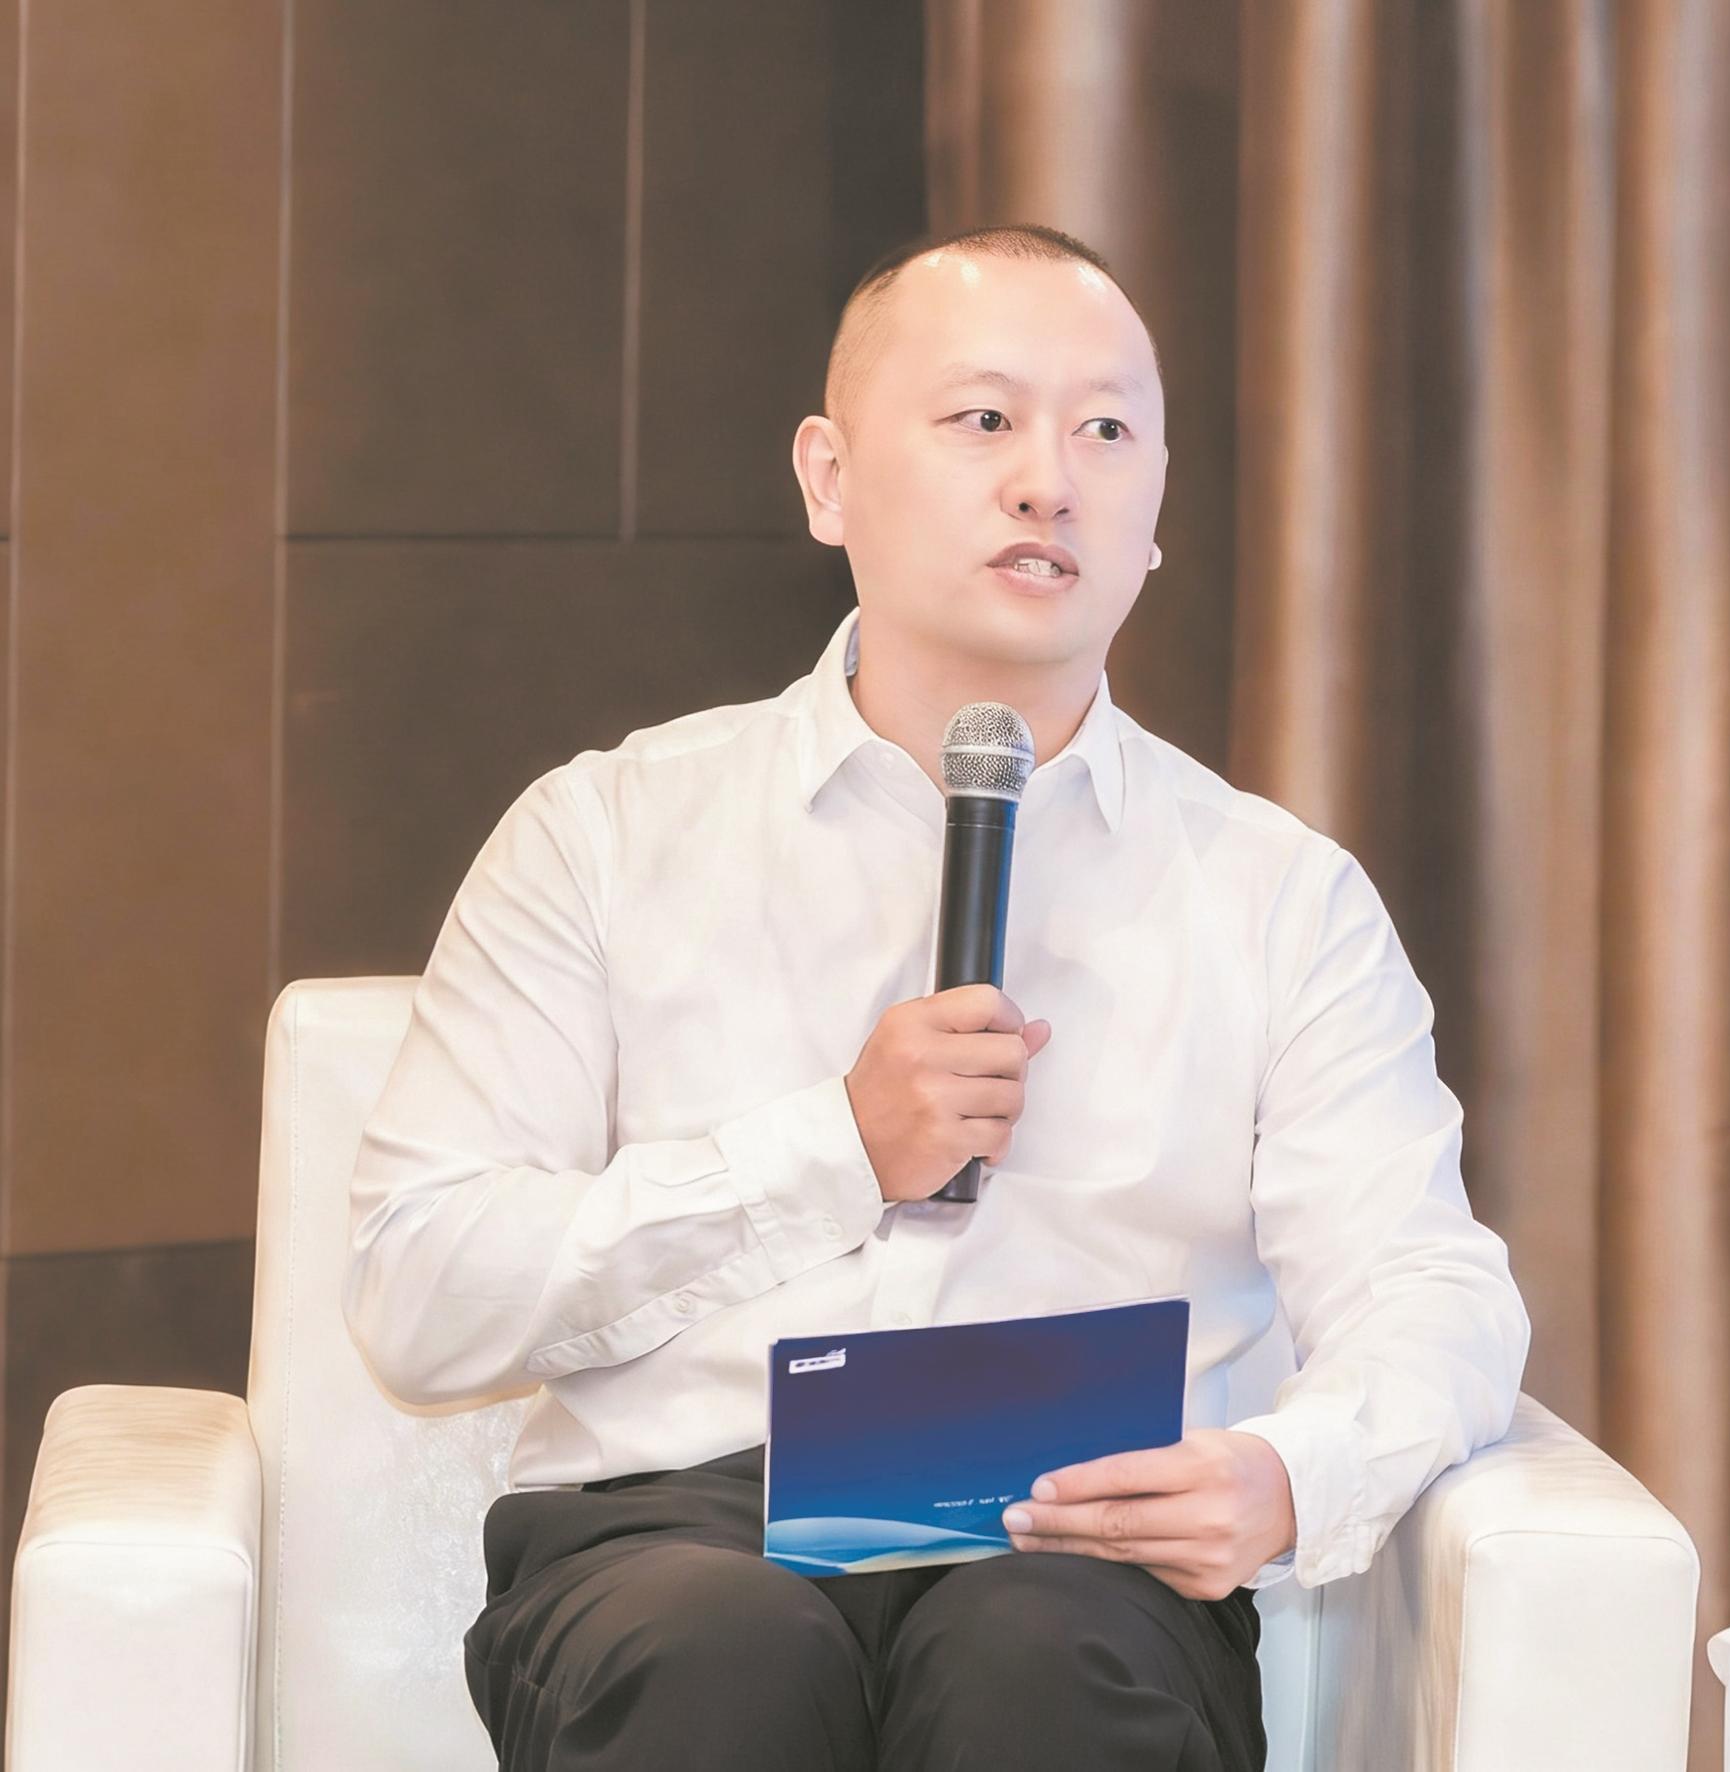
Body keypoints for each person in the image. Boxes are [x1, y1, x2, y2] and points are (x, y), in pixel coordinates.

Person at [342, 223, 1531, 1772]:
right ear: (829, 478)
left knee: (1040, 1662)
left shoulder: (1281, 898)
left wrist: (1292, 1473)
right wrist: (834, 1150)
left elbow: (1432, 1288)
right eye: (985, 419)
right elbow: (420, 1292)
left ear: (1156, 516)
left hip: (1080, 1545)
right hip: (679, 1531)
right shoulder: (606, 835)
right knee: (720, 1657)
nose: (1050, 480)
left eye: (1105, 432)